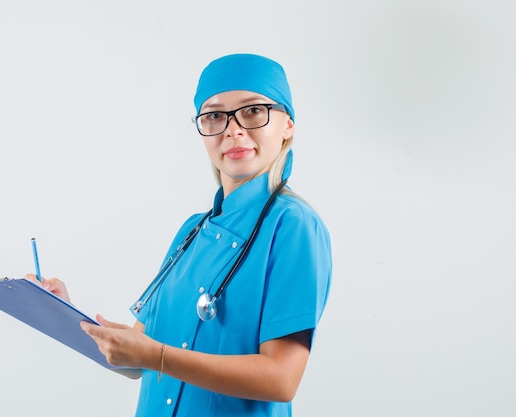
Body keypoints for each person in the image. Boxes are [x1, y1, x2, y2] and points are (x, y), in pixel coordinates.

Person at [27, 53, 332, 416]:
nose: (233, 129)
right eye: (215, 116)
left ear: (288, 125)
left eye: (253, 111)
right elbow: (135, 357)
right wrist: (63, 312)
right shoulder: (192, 231)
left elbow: (282, 379)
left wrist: (155, 356)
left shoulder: (293, 225)